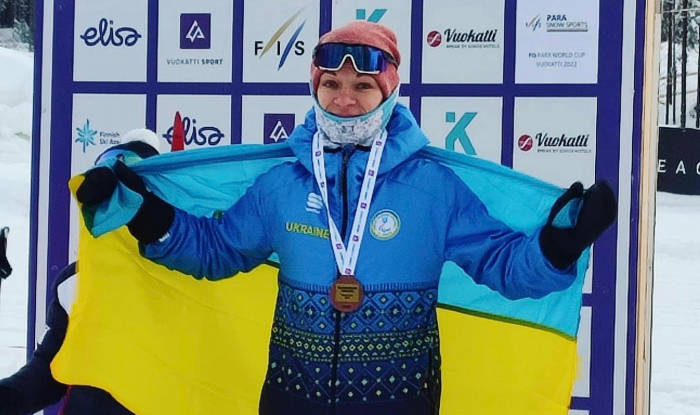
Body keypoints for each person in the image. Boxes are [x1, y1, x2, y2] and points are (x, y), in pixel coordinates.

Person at [75, 21, 617, 415]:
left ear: (389, 91)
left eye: (362, 87)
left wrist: (559, 246)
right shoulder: (283, 183)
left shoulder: (433, 188)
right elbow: (217, 250)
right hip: (290, 398)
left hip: (401, 401)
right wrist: (147, 214)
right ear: (315, 88)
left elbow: (502, 264)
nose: (345, 100)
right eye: (331, 85)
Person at [0, 135, 159, 415]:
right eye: (106, 197)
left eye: (130, 196)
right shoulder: (73, 282)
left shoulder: (192, 278)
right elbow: (50, 370)